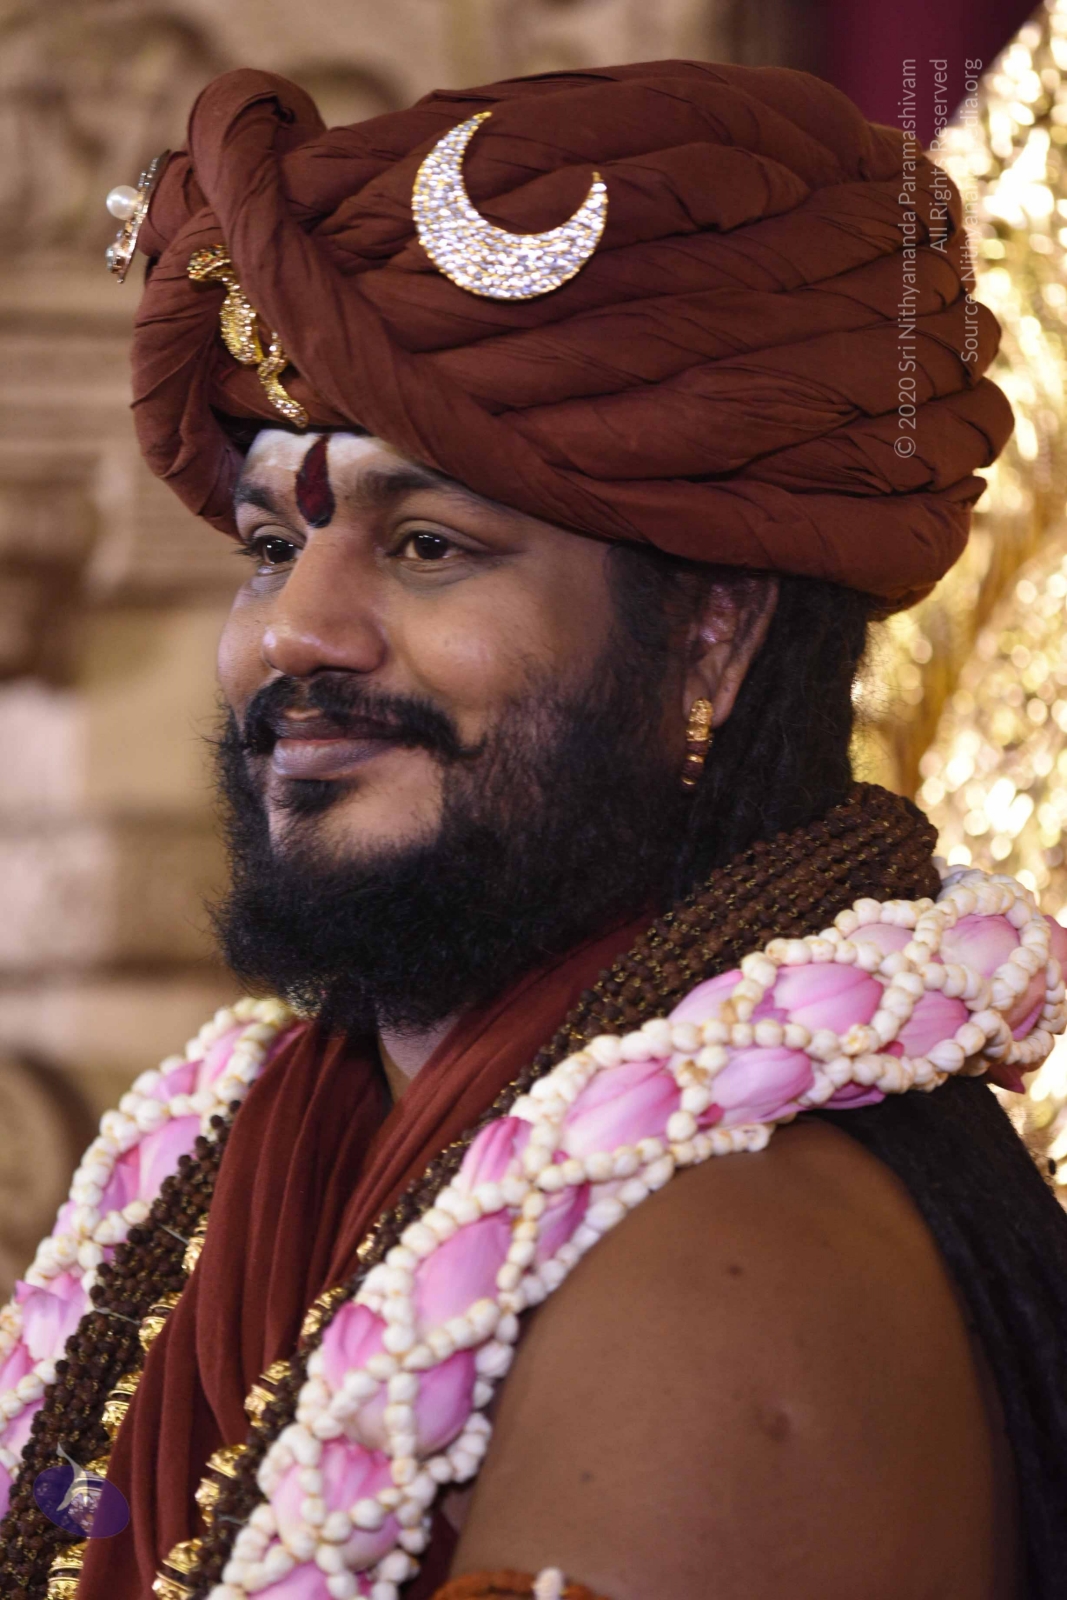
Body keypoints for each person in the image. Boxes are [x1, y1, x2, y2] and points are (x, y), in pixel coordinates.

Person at [1, 59, 1066, 1600]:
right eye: (272, 544)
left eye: (428, 545)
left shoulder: (732, 1265)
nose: (293, 632)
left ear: (711, 634)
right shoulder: (251, 1151)